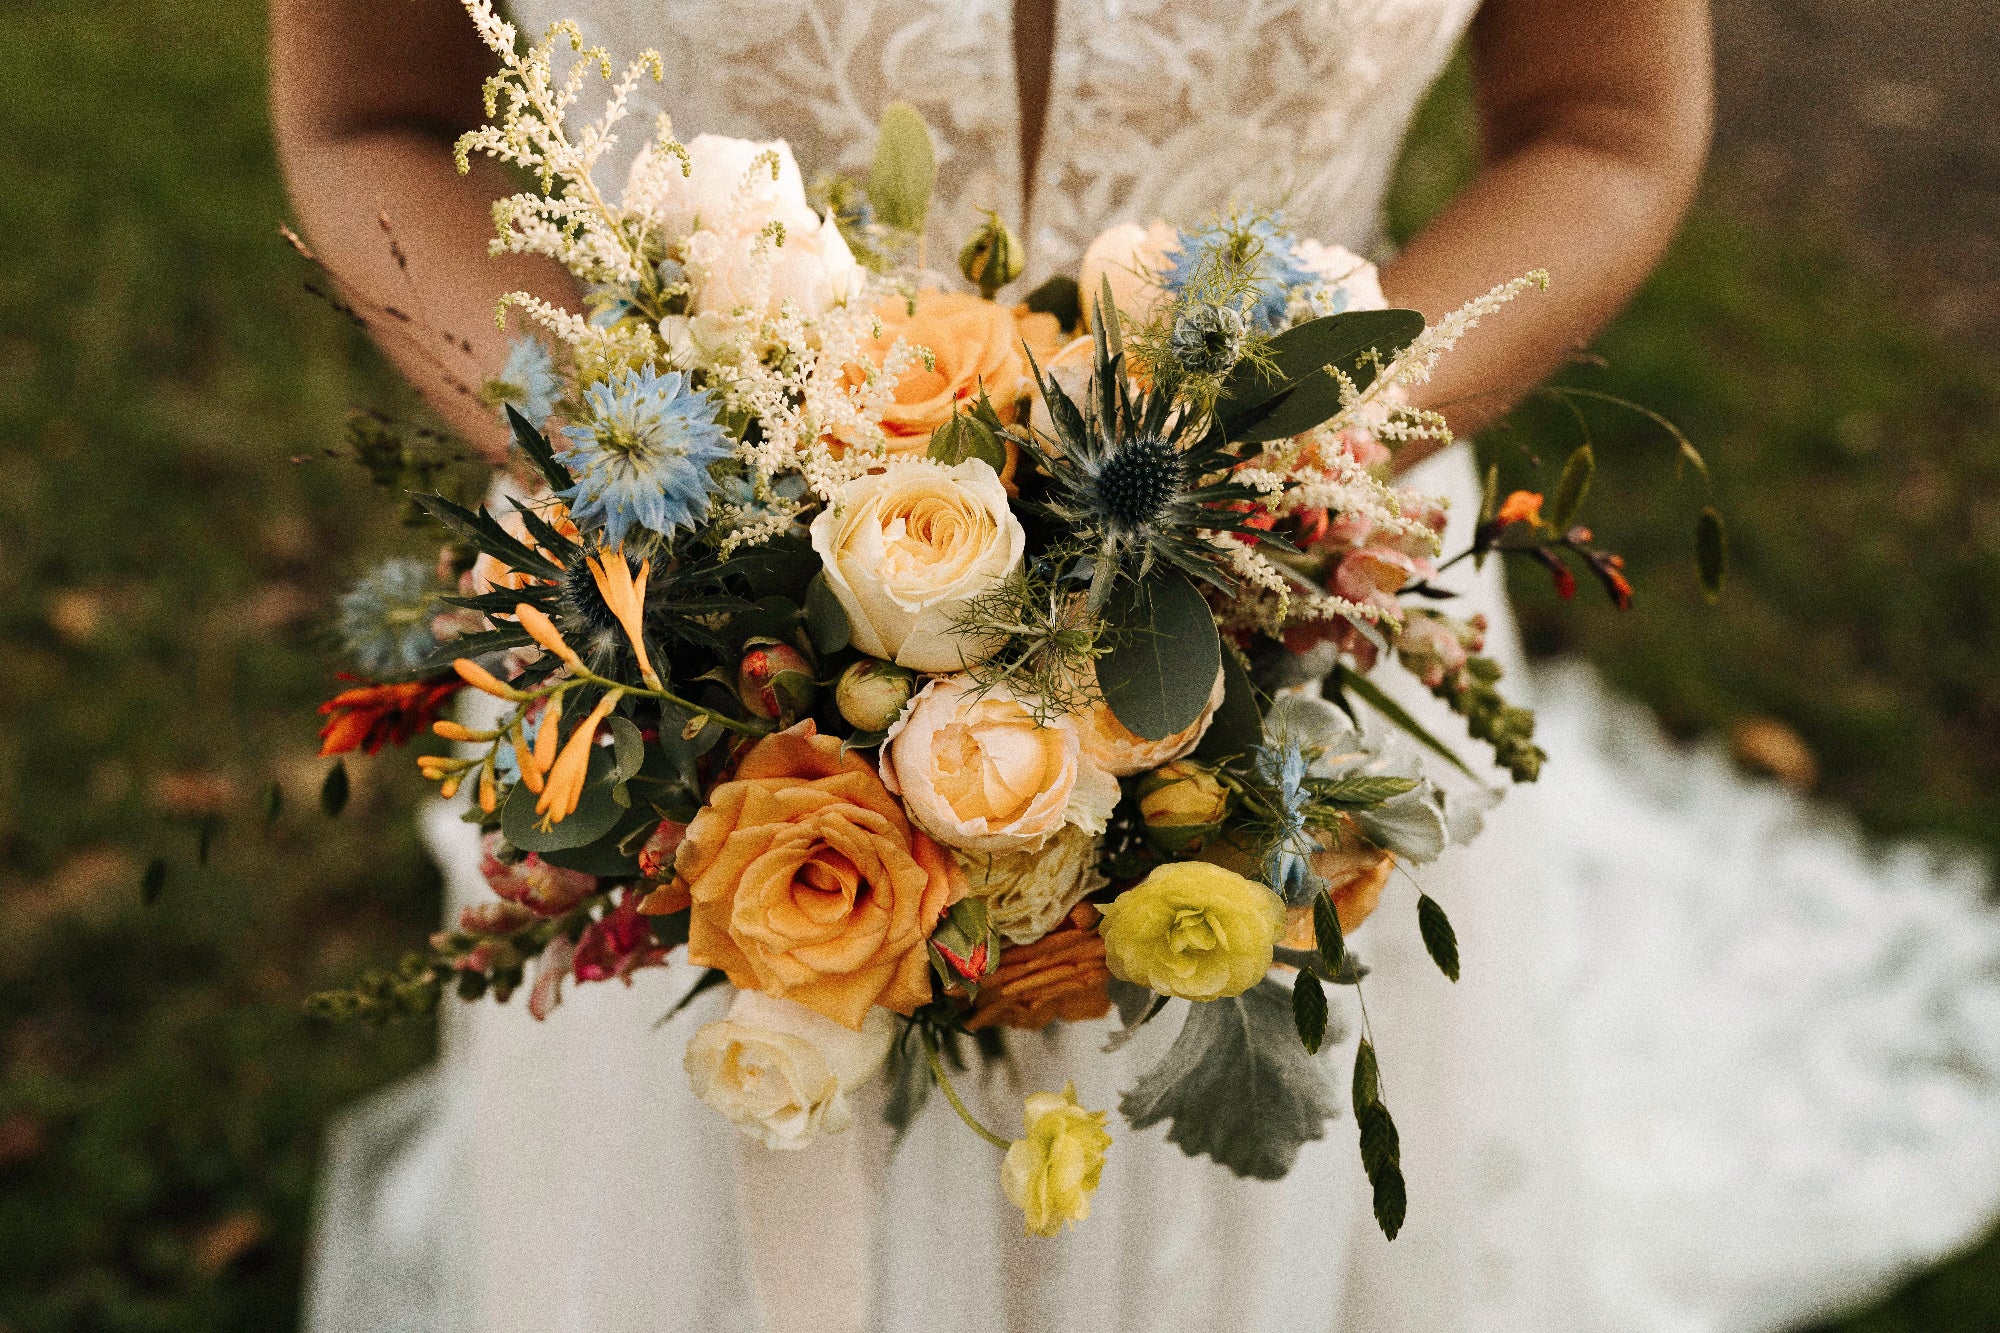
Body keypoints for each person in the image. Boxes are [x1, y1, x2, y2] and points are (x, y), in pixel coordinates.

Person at [273, 2, 2000, 1330]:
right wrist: (705, 502)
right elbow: (374, 112)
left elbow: (1603, 126)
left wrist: (1280, 480)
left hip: (1307, 608)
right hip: (682, 620)